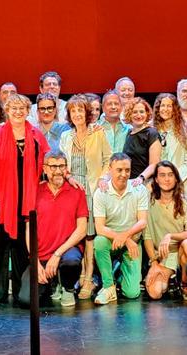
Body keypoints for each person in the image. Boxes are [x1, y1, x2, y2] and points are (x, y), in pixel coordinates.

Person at [0, 94, 50, 303]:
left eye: (22, 109)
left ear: (28, 111)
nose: (18, 112)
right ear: (7, 111)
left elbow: (47, 163)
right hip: (1, 200)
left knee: (22, 249)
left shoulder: (36, 134)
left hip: (28, 200)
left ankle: (22, 292)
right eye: (14, 108)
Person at [58, 94, 112, 300]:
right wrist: (69, 177)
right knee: (73, 233)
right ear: (70, 115)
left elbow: (108, 159)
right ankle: (73, 278)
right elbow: (62, 164)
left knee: (90, 236)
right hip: (72, 188)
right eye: (74, 111)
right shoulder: (66, 136)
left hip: (91, 188)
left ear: (87, 113)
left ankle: (88, 278)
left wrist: (103, 178)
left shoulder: (98, 133)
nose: (78, 114)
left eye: (81, 110)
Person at [17, 151, 87, 308]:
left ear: (66, 168)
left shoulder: (77, 191)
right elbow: (29, 229)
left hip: (66, 250)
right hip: (41, 254)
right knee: (26, 300)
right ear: (45, 169)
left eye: (61, 166)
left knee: (71, 263)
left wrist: (57, 254)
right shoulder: (34, 192)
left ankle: (68, 288)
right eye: (53, 166)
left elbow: (82, 230)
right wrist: (34, 261)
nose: (57, 170)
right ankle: (53, 282)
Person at [91, 153, 149, 304]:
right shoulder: (101, 193)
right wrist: (124, 238)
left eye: (127, 170)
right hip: (111, 240)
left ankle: (120, 274)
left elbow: (142, 222)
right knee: (99, 242)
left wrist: (127, 238)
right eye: (119, 170)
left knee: (132, 293)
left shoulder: (139, 189)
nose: (124, 174)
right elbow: (100, 228)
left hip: (133, 241)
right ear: (110, 169)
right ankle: (109, 286)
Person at [144, 161, 187, 300]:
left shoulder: (184, 201)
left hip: (181, 251)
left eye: (170, 175)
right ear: (156, 179)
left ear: (176, 178)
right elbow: (147, 235)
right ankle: (171, 279)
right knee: (155, 293)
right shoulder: (149, 202)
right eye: (162, 175)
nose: (167, 179)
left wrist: (171, 236)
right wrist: (154, 263)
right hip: (162, 256)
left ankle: (185, 283)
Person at [154, 94, 187, 198]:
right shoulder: (151, 130)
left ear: (174, 109)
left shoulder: (184, 131)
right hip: (156, 184)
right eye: (163, 105)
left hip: (180, 182)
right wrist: (160, 178)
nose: (165, 109)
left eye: (169, 106)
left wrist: (173, 178)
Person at [123, 98, 162, 185]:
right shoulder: (129, 133)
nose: (139, 115)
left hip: (145, 182)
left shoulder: (152, 133)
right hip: (129, 182)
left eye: (141, 112)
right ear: (129, 114)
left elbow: (154, 163)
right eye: (135, 112)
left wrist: (141, 178)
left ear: (147, 113)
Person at [97, 91, 132, 157]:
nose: (113, 107)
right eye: (109, 104)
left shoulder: (129, 129)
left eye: (116, 104)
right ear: (103, 108)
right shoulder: (95, 127)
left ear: (121, 107)